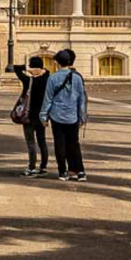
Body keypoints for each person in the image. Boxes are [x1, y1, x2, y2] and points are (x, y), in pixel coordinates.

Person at [39, 48, 87, 181]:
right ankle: (80, 171)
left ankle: (62, 171)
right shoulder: (77, 78)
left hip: (57, 115)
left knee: (59, 144)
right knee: (74, 144)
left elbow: (47, 99)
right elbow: (81, 99)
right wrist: (82, 116)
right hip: (72, 115)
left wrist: (43, 116)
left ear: (57, 63)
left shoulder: (52, 78)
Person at [13, 55, 50, 176]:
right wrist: (42, 70)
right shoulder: (46, 79)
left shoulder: (28, 80)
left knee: (30, 142)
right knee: (42, 141)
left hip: (28, 115)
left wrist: (26, 68)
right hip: (41, 115)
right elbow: (48, 72)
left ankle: (32, 166)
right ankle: (43, 166)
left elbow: (16, 68)